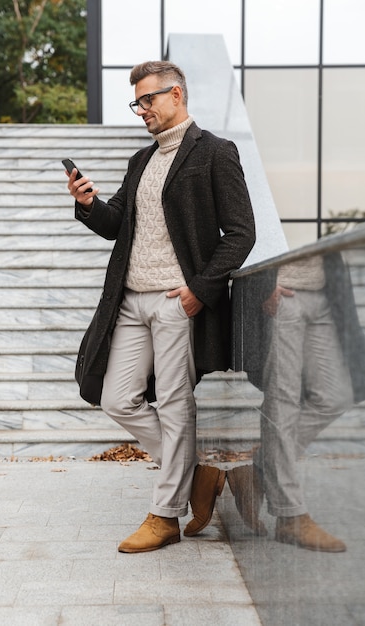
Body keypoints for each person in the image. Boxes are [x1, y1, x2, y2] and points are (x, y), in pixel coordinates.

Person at [65, 60, 256, 553]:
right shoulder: (141, 160)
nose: (141, 110)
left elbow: (241, 232)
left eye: (147, 99)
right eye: (137, 102)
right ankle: (199, 477)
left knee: (174, 404)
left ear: (177, 95)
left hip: (177, 299)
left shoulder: (215, 152)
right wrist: (89, 203)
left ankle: (164, 515)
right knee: (116, 398)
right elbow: (116, 226)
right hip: (129, 300)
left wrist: (200, 289)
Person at [231, 253, 365, 551]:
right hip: (281, 293)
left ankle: (257, 469)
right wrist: (259, 285)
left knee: (334, 395)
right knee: (283, 400)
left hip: (325, 290)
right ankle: (290, 516)